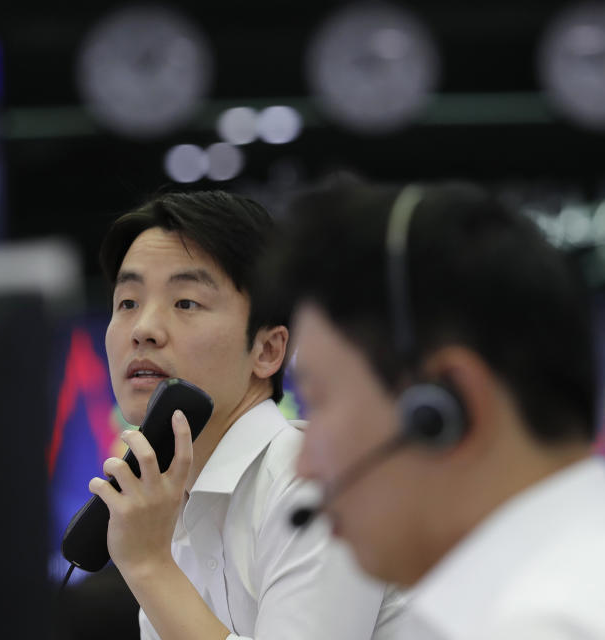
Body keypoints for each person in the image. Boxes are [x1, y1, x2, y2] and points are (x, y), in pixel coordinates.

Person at [264, 179, 605, 639]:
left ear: (444, 409)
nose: (304, 466)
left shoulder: (544, 626)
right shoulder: (574, 590)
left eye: (320, 401)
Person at [88, 190, 403, 640]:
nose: (143, 331)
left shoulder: (316, 485)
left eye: (185, 303)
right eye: (127, 303)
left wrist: (149, 566)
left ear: (268, 349)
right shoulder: (166, 514)